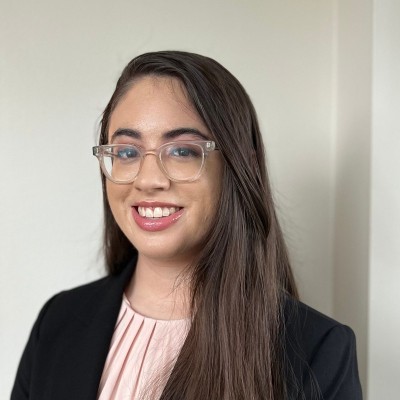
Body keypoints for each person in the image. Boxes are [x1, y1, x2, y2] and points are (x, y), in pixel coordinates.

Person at [11, 51, 363, 400]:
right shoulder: (58, 322)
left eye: (181, 151)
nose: (148, 180)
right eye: (127, 152)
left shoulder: (319, 352)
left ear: (242, 168)